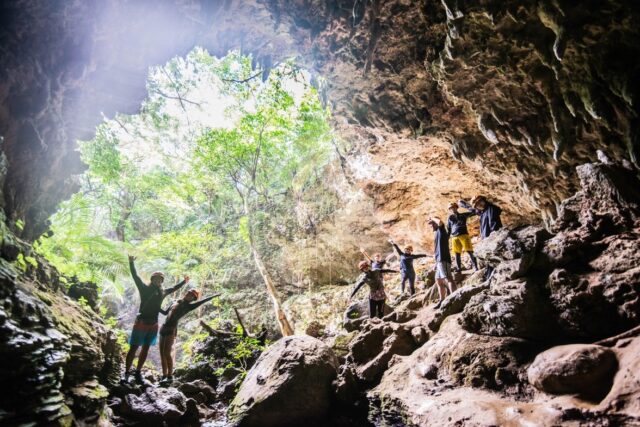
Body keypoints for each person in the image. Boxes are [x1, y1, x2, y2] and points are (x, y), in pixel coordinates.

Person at [123, 255, 188, 384]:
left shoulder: (163, 292)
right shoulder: (144, 288)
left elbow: (174, 288)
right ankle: (126, 373)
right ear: (152, 279)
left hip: (153, 324)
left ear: (161, 281)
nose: (158, 280)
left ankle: (138, 372)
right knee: (134, 347)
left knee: (146, 348)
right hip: (141, 322)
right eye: (156, 278)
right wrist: (131, 263)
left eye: (160, 279)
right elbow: (135, 277)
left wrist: (184, 282)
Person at [158, 289, 216, 385]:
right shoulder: (175, 302)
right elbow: (164, 313)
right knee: (162, 354)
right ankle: (164, 376)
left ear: (193, 298)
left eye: (191, 295)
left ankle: (170, 376)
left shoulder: (189, 306)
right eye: (188, 293)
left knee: (167, 353)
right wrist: (155, 305)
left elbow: (203, 301)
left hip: (171, 329)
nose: (188, 294)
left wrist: (214, 296)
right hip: (163, 327)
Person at [459, 195, 503, 280]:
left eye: (480, 202)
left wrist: (491, 240)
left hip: (492, 241)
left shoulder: (490, 209)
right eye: (477, 204)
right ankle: (489, 277)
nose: (479, 205)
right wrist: (463, 204)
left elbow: (494, 227)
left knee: (492, 261)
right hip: (487, 241)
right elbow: (473, 210)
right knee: (488, 261)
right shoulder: (483, 211)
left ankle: (492, 277)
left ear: (483, 200)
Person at [428, 218, 457, 308]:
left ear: (436, 224)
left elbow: (440, 222)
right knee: (439, 281)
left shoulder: (441, 230)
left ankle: (455, 298)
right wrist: (436, 263)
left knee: (448, 278)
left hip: (443, 259)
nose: (431, 226)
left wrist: (432, 217)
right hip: (439, 260)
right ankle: (442, 300)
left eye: (432, 224)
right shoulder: (437, 233)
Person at [446, 202, 479, 272]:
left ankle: (475, 267)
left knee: (469, 251)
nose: (452, 209)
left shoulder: (463, 215)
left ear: (457, 207)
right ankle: (459, 268)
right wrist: (446, 239)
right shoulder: (450, 218)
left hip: (464, 235)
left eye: (454, 207)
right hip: (454, 237)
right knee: (457, 253)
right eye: (451, 208)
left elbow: (474, 212)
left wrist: (465, 205)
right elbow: (448, 229)